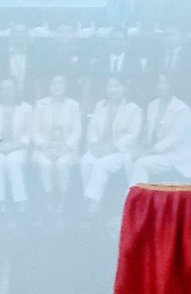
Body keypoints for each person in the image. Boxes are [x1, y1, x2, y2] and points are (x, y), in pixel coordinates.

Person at [80, 78, 143, 209]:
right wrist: (95, 145)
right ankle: (91, 198)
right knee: (85, 161)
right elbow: (92, 129)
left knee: (101, 164)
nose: (113, 89)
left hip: (121, 151)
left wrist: (113, 148)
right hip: (100, 149)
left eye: (117, 86)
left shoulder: (133, 109)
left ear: (124, 88)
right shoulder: (100, 106)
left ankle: (92, 203)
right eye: (110, 86)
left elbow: (132, 135)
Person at [31, 74, 82, 204]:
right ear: (49, 86)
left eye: (60, 83)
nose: (57, 86)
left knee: (61, 164)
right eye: (54, 83)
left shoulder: (73, 105)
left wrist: (65, 148)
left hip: (66, 149)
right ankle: (48, 198)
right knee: (45, 164)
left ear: (66, 86)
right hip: (44, 149)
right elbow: (34, 130)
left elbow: (77, 131)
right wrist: (44, 148)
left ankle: (62, 199)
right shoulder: (40, 104)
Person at [0, 77, 30, 206]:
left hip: (18, 147)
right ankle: (1, 201)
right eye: (3, 89)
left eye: (10, 88)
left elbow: (28, 133)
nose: (7, 91)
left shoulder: (26, 108)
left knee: (13, 161)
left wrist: (13, 147)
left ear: (16, 90)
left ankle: (20, 200)